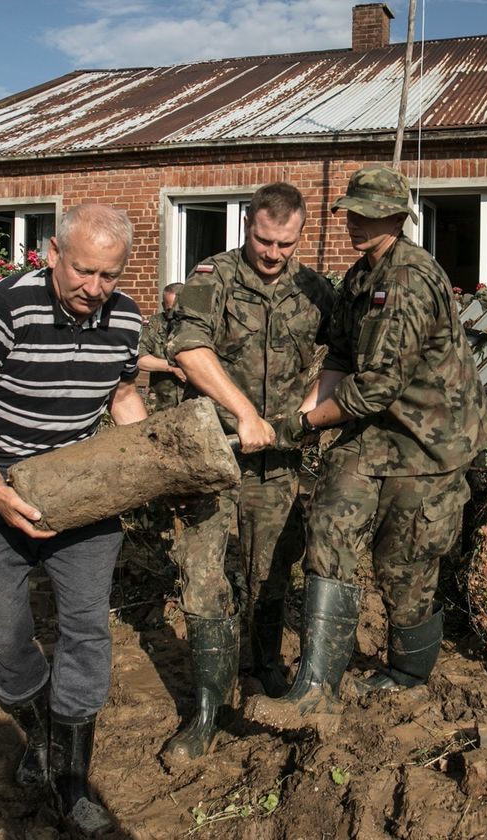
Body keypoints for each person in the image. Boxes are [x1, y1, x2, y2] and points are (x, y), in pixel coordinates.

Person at [244, 165, 487, 733]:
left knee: (403, 560)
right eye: (353, 212)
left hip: (431, 440)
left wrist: (306, 425)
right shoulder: (362, 276)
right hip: (376, 432)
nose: (357, 222)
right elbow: (337, 357)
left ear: (396, 218)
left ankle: (408, 673)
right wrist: (304, 414)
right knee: (328, 521)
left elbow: (378, 384)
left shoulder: (410, 279)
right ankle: (315, 688)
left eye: (370, 214)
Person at [0, 204, 146, 835]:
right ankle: (41, 733)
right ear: (52, 253)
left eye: (109, 275)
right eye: (81, 271)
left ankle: (73, 784)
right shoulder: (4, 308)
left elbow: (125, 395)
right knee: (2, 637)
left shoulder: (125, 318)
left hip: (81, 488)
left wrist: (149, 466)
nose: (93, 289)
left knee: (85, 630)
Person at [159, 182, 334, 765]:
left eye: (286, 243)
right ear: (247, 227)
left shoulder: (315, 289)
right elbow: (187, 347)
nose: (273, 253)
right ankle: (207, 709)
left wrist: (310, 407)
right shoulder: (214, 275)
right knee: (204, 572)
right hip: (214, 452)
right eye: (264, 239)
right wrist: (244, 413)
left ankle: (261, 675)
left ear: (300, 236)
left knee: (270, 571)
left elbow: (340, 356)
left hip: (279, 461)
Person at [137, 282, 186, 412]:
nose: (173, 315)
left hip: (195, 402)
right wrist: (172, 367)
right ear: (163, 306)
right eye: (169, 310)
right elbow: (139, 359)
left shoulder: (200, 325)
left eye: (178, 309)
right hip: (162, 403)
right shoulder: (154, 325)